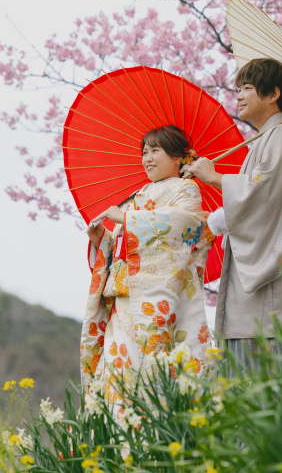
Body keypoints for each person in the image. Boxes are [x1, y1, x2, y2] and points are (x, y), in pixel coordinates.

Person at [185, 58, 282, 374]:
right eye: (238, 89)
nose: (238, 96)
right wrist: (219, 218)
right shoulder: (271, 138)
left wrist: (214, 177)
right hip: (274, 293)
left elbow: (261, 195)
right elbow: (264, 202)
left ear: (273, 93)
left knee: (269, 386)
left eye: (247, 88)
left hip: (274, 297)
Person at [80, 125, 215, 400]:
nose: (148, 158)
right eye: (144, 152)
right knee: (116, 375)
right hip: (123, 298)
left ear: (178, 157)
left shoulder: (186, 190)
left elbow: (185, 226)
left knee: (148, 375)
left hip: (156, 301)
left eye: (156, 151)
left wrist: (126, 220)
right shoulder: (138, 196)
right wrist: (102, 239)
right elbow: (121, 244)